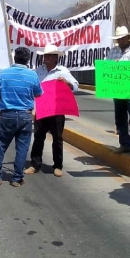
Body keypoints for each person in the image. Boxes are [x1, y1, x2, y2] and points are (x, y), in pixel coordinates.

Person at [0, 47, 43, 187]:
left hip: (7, 115)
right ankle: (17, 178)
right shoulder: (32, 75)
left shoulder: (3, 74)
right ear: (28, 60)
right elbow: (39, 94)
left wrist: (3, 103)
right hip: (25, 116)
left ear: (15, 57)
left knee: (0, 146)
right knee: (22, 148)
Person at [25, 43, 78, 177]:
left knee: (57, 138)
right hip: (42, 109)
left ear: (55, 57)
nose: (46, 58)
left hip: (57, 110)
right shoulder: (38, 71)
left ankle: (58, 165)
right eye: (45, 56)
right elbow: (31, 86)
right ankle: (35, 164)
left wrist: (67, 84)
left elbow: (75, 86)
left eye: (49, 56)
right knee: (38, 137)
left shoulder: (63, 71)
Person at [107, 26, 130, 157]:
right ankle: (124, 144)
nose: (121, 40)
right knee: (120, 118)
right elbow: (107, 69)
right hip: (118, 90)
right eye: (118, 38)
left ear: (128, 37)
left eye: (122, 38)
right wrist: (112, 66)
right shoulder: (112, 52)